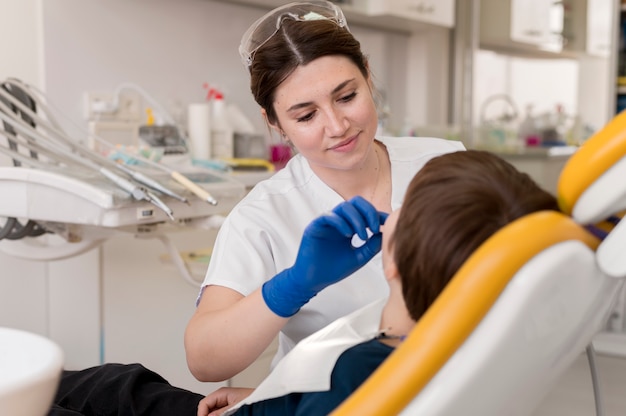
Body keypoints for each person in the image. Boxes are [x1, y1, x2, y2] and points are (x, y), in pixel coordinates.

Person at [49, 150, 559, 416]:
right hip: (264, 406)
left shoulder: (363, 369)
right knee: (116, 384)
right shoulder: (448, 352)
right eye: (306, 113)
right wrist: (270, 397)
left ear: (394, 262)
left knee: (59, 399)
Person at [184, 0, 465, 384]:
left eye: (347, 96)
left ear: (367, 76)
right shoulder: (263, 216)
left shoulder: (443, 163)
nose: (337, 126)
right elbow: (204, 360)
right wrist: (296, 284)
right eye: (305, 115)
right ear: (275, 122)